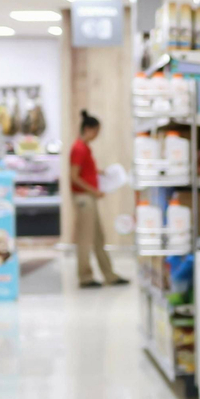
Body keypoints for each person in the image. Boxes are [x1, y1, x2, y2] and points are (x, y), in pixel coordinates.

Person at [69, 110, 126, 288]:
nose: (97, 136)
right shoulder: (78, 148)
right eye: (96, 132)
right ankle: (85, 277)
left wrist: (99, 173)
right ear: (88, 129)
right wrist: (94, 191)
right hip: (84, 199)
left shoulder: (84, 148)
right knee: (86, 240)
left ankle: (109, 275)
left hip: (89, 198)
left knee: (98, 238)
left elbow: (84, 172)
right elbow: (74, 176)